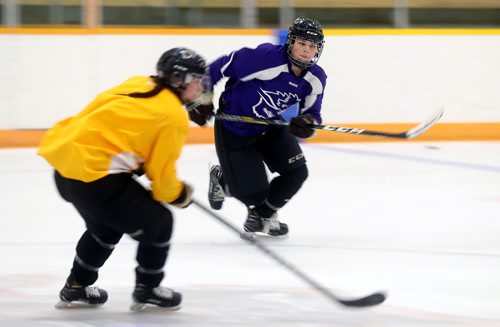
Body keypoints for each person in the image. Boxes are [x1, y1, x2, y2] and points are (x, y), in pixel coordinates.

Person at [38, 47, 209, 311]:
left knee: (105, 227)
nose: (200, 87)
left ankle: (77, 285)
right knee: (159, 222)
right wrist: (179, 194)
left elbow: (100, 113)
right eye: (196, 80)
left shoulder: (140, 82)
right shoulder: (173, 115)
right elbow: (162, 181)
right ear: (179, 79)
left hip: (65, 169)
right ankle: (148, 289)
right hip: (96, 177)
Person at [190, 17, 327, 237]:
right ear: (291, 42)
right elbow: (220, 66)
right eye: (302, 43)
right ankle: (223, 181)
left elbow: (312, 113)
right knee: (255, 191)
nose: (306, 51)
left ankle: (261, 216)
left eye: (312, 46)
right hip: (234, 129)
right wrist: (202, 97)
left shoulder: (316, 78)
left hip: (269, 126)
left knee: (297, 172)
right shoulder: (265, 58)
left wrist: (308, 123)